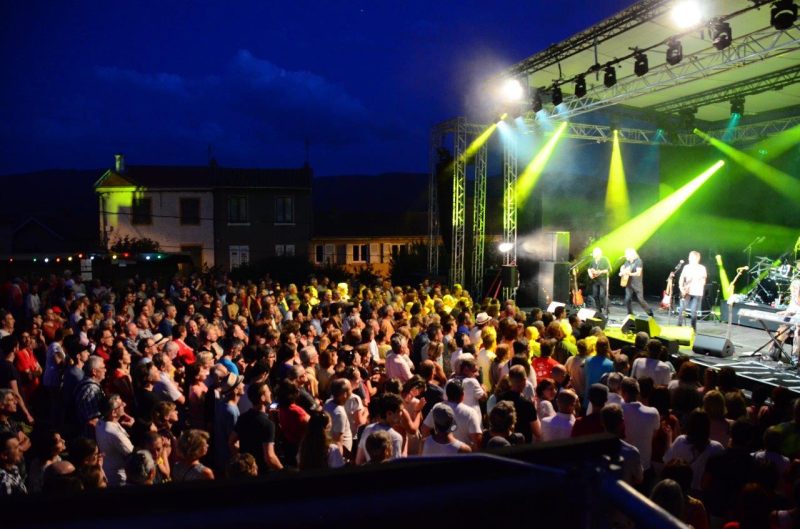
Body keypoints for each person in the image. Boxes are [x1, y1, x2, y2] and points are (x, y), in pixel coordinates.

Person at [663, 409, 725, 494]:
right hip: (704, 494)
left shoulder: (681, 441)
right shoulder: (717, 448)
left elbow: (667, 460)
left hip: (681, 491)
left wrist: (669, 437)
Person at [231, 381, 282, 474]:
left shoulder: (242, 418)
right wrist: (283, 471)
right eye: (267, 391)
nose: (270, 392)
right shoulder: (268, 424)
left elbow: (232, 442)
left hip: (248, 471)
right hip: (263, 472)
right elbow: (269, 457)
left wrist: (243, 460)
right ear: (262, 398)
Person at [421, 380, 482, 450]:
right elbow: (477, 441)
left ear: (447, 394)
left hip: (440, 456)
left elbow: (424, 429)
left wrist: (434, 446)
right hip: (462, 456)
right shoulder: (470, 412)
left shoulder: (438, 407)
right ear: (462, 395)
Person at [620, 377, 660, 481]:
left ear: (622, 392)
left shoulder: (617, 411)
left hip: (623, 466)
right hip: (644, 466)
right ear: (638, 393)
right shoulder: (653, 413)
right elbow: (654, 434)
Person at [95, 394, 134, 487]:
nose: (124, 404)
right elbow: (132, 454)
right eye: (121, 405)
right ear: (113, 413)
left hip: (109, 472)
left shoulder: (100, 423)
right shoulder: (115, 434)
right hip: (120, 479)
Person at [355, 393, 404, 464]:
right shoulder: (396, 437)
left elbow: (359, 461)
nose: (402, 414)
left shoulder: (368, 429)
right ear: (389, 413)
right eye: (400, 411)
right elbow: (395, 467)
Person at [602, 404, 643, 486]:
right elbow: (639, 478)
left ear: (602, 423)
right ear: (622, 423)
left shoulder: (592, 451)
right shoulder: (632, 452)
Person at [677, 251, 707, 330]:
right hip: (686, 292)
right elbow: (681, 278)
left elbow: (703, 281)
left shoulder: (702, 268)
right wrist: (681, 288)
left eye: (691, 257)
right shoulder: (686, 267)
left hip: (697, 292)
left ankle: (693, 330)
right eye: (689, 257)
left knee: (693, 313)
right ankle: (678, 327)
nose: (689, 259)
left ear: (697, 259)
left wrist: (697, 283)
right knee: (682, 310)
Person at [620, 248, 653, 317]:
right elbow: (623, 268)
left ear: (631, 255)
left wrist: (629, 273)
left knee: (640, 300)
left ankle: (649, 312)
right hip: (628, 283)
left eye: (627, 255)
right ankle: (630, 313)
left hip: (637, 283)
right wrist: (621, 272)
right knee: (627, 299)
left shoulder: (638, 261)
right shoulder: (627, 262)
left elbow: (638, 273)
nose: (626, 256)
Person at [0, 431, 26, 495]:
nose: (21, 449)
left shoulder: (14, 468)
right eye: (16, 447)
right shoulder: (6, 483)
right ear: (4, 455)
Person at [587, 247, 611, 315]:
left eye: (594, 252)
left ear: (598, 253)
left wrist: (600, 272)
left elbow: (608, 270)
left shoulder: (604, 259)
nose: (593, 254)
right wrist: (590, 274)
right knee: (594, 295)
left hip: (603, 279)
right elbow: (589, 268)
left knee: (602, 295)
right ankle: (598, 309)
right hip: (595, 280)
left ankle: (606, 308)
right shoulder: (593, 260)